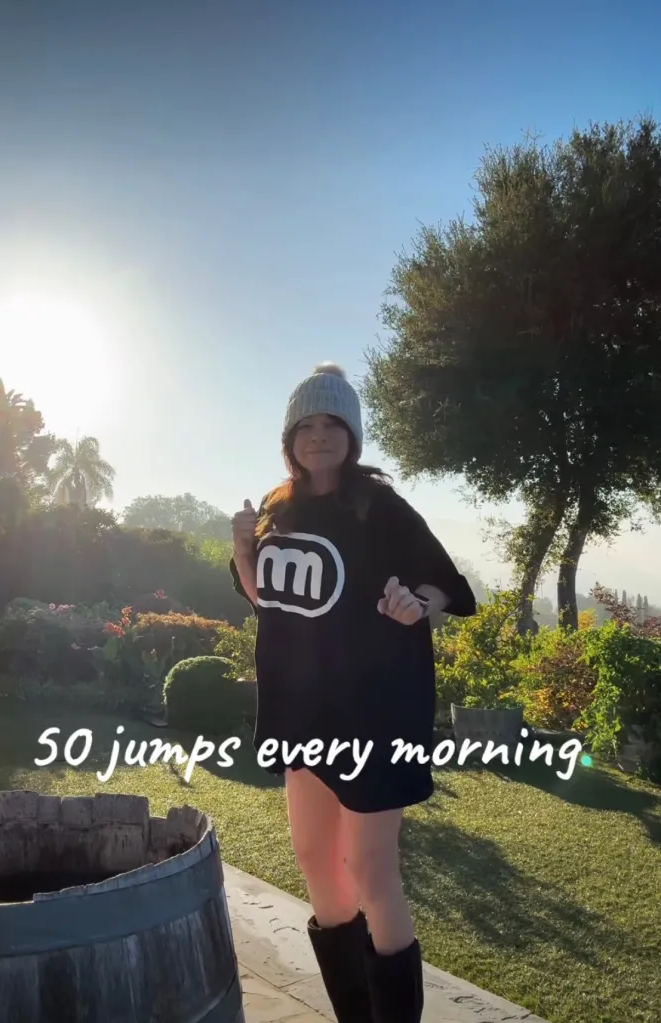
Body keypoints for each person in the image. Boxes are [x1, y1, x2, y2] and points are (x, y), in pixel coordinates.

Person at [230, 362, 476, 1023]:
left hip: (376, 710)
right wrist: (242, 549)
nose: (318, 435)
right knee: (315, 857)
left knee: (369, 868)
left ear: (352, 433)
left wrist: (413, 604)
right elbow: (267, 600)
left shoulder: (380, 505)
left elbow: (447, 584)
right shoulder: (277, 507)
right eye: (305, 424)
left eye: (331, 422)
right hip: (301, 705)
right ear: (289, 437)